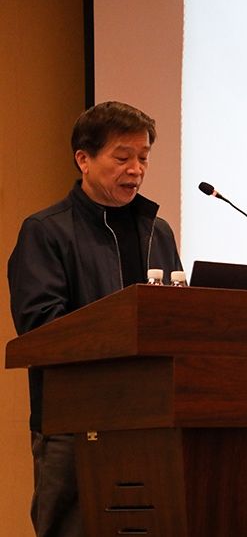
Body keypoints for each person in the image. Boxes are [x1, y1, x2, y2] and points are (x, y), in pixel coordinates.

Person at [7, 101, 183, 537]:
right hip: (74, 423)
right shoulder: (46, 230)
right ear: (83, 159)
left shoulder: (157, 231)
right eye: (122, 157)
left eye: (143, 157)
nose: (136, 170)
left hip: (153, 419)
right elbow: (40, 325)